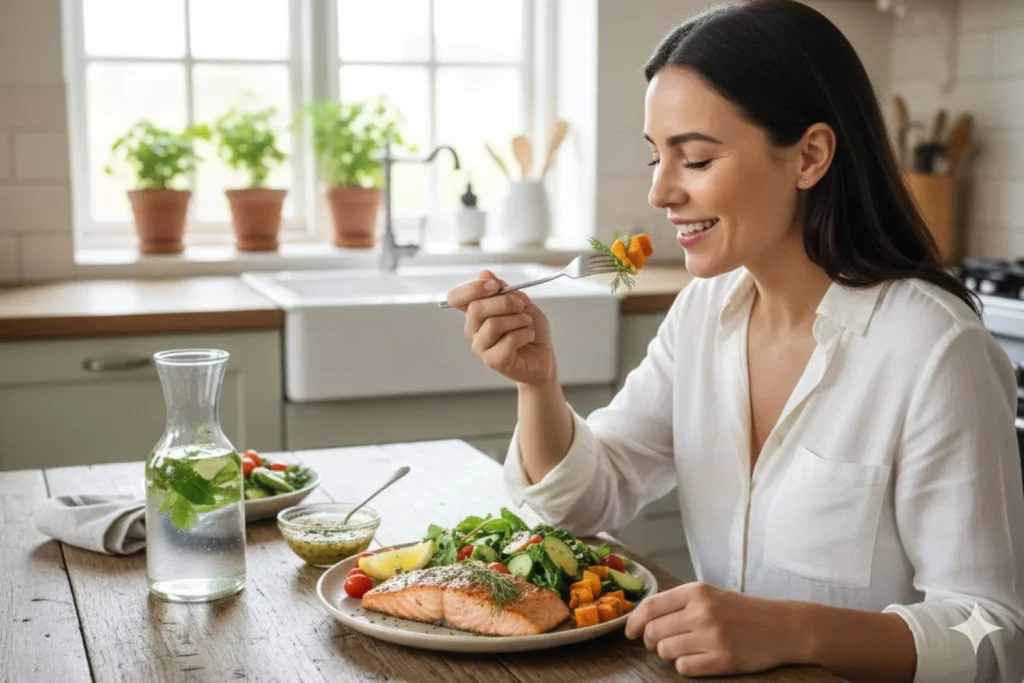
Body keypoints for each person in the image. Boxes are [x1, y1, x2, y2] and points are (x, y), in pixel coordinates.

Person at [446, 1, 1024, 681]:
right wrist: (537, 383)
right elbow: (586, 497)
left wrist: (794, 629)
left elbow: (993, 632)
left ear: (810, 155)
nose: (660, 191)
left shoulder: (936, 350)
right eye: (657, 156)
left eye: (695, 158)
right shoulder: (704, 311)